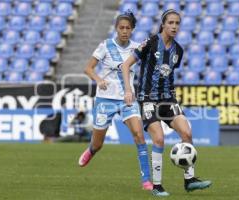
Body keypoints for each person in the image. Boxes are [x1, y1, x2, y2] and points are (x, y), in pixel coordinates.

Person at [121, 9, 212, 196]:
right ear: (163, 24)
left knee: (186, 132)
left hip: (168, 99)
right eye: (171, 23)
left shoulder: (178, 50)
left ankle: (190, 180)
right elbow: (125, 65)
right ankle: (156, 185)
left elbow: (168, 73)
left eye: (177, 23)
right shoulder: (150, 43)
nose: (174, 26)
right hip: (148, 98)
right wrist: (128, 90)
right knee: (159, 138)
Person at [77, 11, 153, 190]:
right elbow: (88, 68)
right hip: (105, 99)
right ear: (116, 29)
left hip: (127, 98)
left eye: (128, 28)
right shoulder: (106, 45)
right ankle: (91, 150)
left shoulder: (137, 48)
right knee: (98, 143)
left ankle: (147, 180)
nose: (124, 31)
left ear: (132, 29)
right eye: (121, 28)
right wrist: (98, 80)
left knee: (139, 135)